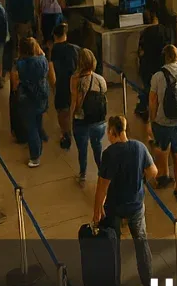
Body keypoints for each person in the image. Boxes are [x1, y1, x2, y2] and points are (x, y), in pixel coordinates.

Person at [92, 115, 156, 286]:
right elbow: (153, 171)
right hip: (136, 205)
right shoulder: (139, 147)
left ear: (113, 132)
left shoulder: (110, 154)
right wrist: (140, 182)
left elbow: (102, 185)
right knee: (141, 244)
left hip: (115, 208)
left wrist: (97, 210)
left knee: (114, 247)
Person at [148, 44, 177, 201]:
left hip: (163, 120)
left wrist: (152, 119)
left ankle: (163, 176)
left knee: (161, 148)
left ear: (165, 57)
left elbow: (153, 101)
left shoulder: (158, 76)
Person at [69, 48, 108, 183]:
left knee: (82, 149)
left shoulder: (75, 79)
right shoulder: (100, 79)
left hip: (81, 119)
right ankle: (103, 174)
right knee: (97, 147)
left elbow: (75, 101)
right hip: (98, 119)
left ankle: (83, 174)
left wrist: (70, 119)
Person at [12, 36, 50, 168]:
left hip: (28, 97)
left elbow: (17, 79)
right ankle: (41, 139)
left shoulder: (22, 64)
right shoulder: (43, 60)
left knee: (31, 127)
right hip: (42, 94)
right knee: (38, 120)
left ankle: (35, 156)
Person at [48, 23, 81, 151]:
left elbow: (51, 71)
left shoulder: (54, 51)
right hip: (75, 82)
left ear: (55, 36)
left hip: (62, 83)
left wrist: (53, 85)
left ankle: (66, 133)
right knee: (74, 106)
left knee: (62, 110)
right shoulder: (75, 49)